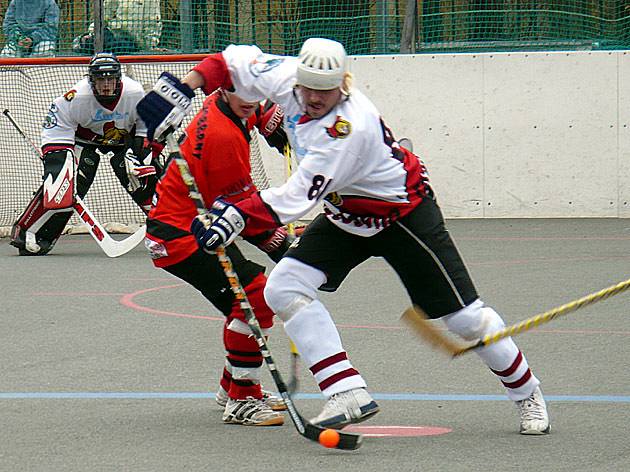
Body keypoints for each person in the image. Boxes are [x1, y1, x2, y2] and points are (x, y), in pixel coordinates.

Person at [136, 38, 550, 435]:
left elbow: (294, 198)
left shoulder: (349, 130)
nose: (314, 99)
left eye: (325, 92)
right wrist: (181, 87)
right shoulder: (287, 78)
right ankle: (345, 391)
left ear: (344, 85)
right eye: (308, 89)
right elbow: (229, 62)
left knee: (464, 319)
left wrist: (234, 216)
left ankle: (527, 393)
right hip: (345, 214)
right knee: (283, 287)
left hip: (400, 215)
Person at [144, 85, 291, 426]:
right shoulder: (223, 139)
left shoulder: (232, 101)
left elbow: (246, 97)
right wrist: (284, 249)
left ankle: (233, 386)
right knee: (256, 297)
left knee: (245, 302)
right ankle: (242, 399)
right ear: (226, 90)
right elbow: (243, 213)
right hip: (182, 234)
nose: (252, 103)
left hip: (198, 222)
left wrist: (270, 118)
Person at [10, 52, 159, 256]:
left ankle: (168, 227)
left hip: (124, 140)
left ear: (118, 78)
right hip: (84, 140)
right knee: (66, 184)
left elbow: (145, 127)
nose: (106, 85)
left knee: (138, 172)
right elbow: (56, 128)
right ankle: (30, 234)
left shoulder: (134, 92)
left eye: (111, 79)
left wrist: (143, 153)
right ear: (91, 80)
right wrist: (57, 163)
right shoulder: (76, 97)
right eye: (100, 79)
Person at [73, 0, 162, 55]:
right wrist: (92, 32)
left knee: (120, 45)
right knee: (102, 39)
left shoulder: (150, 2)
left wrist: (150, 46)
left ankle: (85, 43)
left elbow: (153, 22)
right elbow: (104, 15)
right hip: (112, 34)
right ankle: (86, 40)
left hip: (132, 42)